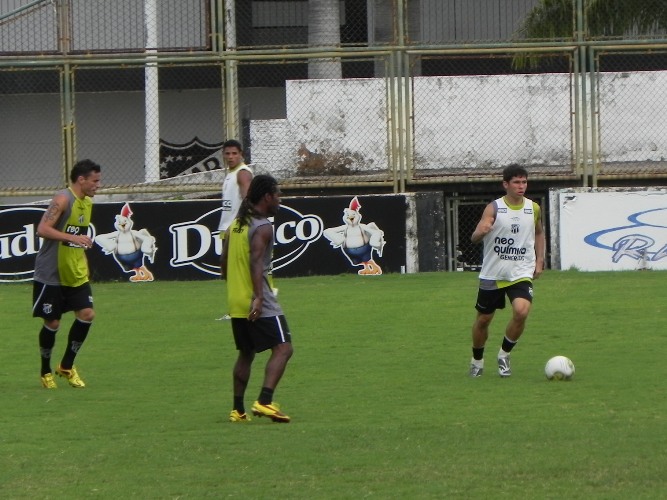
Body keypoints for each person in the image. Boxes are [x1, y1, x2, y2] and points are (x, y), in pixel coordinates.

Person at [220, 174, 293, 423]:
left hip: (236, 300)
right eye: (277, 195)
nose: (279, 200)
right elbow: (256, 263)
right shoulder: (262, 227)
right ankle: (264, 401)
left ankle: (237, 410)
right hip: (257, 299)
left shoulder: (236, 225)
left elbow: (223, 265)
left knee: (246, 353)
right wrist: (259, 298)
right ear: (267, 197)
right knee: (284, 348)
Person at [469, 164, 545, 378]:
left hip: (520, 271)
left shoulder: (533, 208)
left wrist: (539, 261)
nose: (521, 186)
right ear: (506, 184)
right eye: (516, 182)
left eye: (524, 182)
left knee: (521, 311)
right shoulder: (494, 208)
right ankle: (477, 360)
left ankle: (504, 355)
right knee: (483, 320)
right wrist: (480, 232)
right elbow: (475, 236)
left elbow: (539, 234)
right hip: (493, 273)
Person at [33, 159, 102, 389]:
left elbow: (78, 239)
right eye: (95, 180)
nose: (98, 185)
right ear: (81, 180)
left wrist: (83, 262)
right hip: (51, 273)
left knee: (87, 314)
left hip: (75, 273)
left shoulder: (87, 202)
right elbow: (42, 229)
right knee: (52, 322)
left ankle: (66, 366)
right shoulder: (63, 199)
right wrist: (73, 238)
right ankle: (45, 371)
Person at [217, 139, 253, 320]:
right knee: (227, 269)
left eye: (234, 153)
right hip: (227, 228)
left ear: (241, 155)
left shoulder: (243, 173)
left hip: (236, 230)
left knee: (234, 270)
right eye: (227, 153)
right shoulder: (231, 174)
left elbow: (248, 199)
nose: (230, 157)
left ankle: (241, 309)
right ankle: (237, 308)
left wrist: (238, 224)